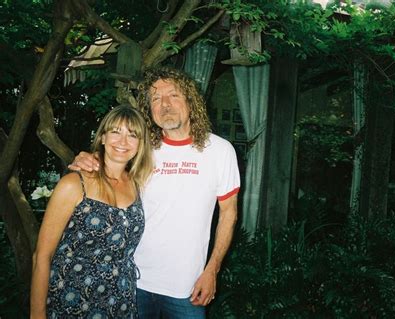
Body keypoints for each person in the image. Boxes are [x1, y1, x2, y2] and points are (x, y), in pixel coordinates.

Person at [69, 67, 240, 318]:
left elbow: (228, 215)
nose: (165, 104)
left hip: (187, 286)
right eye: (156, 98)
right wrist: (88, 158)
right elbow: (109, 160)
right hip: (132, 280)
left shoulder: (220, 151)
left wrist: (212, 270)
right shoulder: (142, 148)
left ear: (191, 102)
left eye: (173, 95)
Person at [30, 105, 154, 318]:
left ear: (140, 145)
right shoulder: (74, 184)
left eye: (132, 135)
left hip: (121, 298)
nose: (123, 142)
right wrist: (37, 315)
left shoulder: (138, 183)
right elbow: (41, 256)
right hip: (73, 297)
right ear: (103, 137)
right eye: (115, 132)